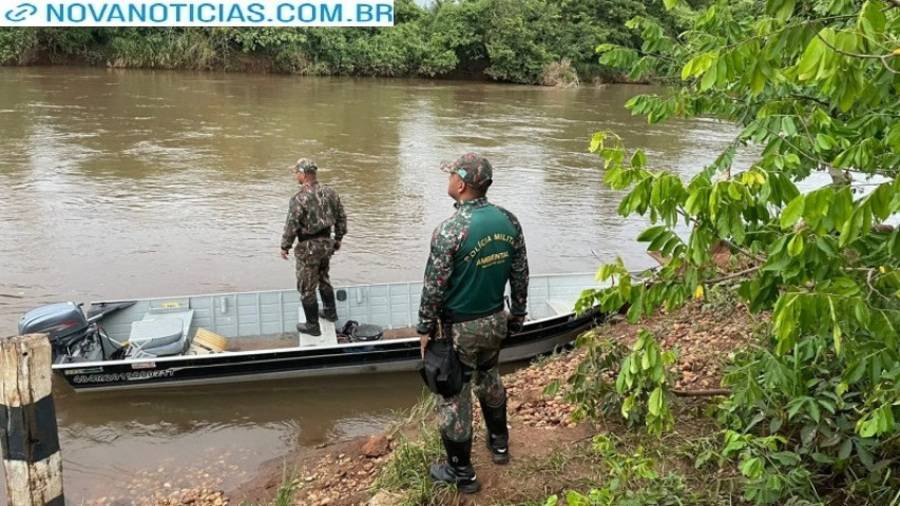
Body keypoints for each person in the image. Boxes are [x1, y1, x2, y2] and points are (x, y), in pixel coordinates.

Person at [417, 152, 529, 494]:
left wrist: (423, 329)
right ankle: (499, 444)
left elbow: (434, 287)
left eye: (451, 175)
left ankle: (461, 473)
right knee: (489, 376)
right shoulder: (508, 221)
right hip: (496, 320)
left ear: (462, 184)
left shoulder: (450, 230)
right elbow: (520, 273)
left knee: (453, 394)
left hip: (460, 329)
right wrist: (518, 315)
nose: (448, 179)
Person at [280, 158, 347, 336]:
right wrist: (338, 238)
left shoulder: (299, 198)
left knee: (306, 287)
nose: (295, 175)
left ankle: (312, 326)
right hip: (326, 245)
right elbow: (341, 217)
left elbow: (291, 225)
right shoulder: (331, 192)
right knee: (324, 278)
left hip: (308, 248)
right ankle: (330, 313)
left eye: (296, 173)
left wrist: (284, 246)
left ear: (303, 174)